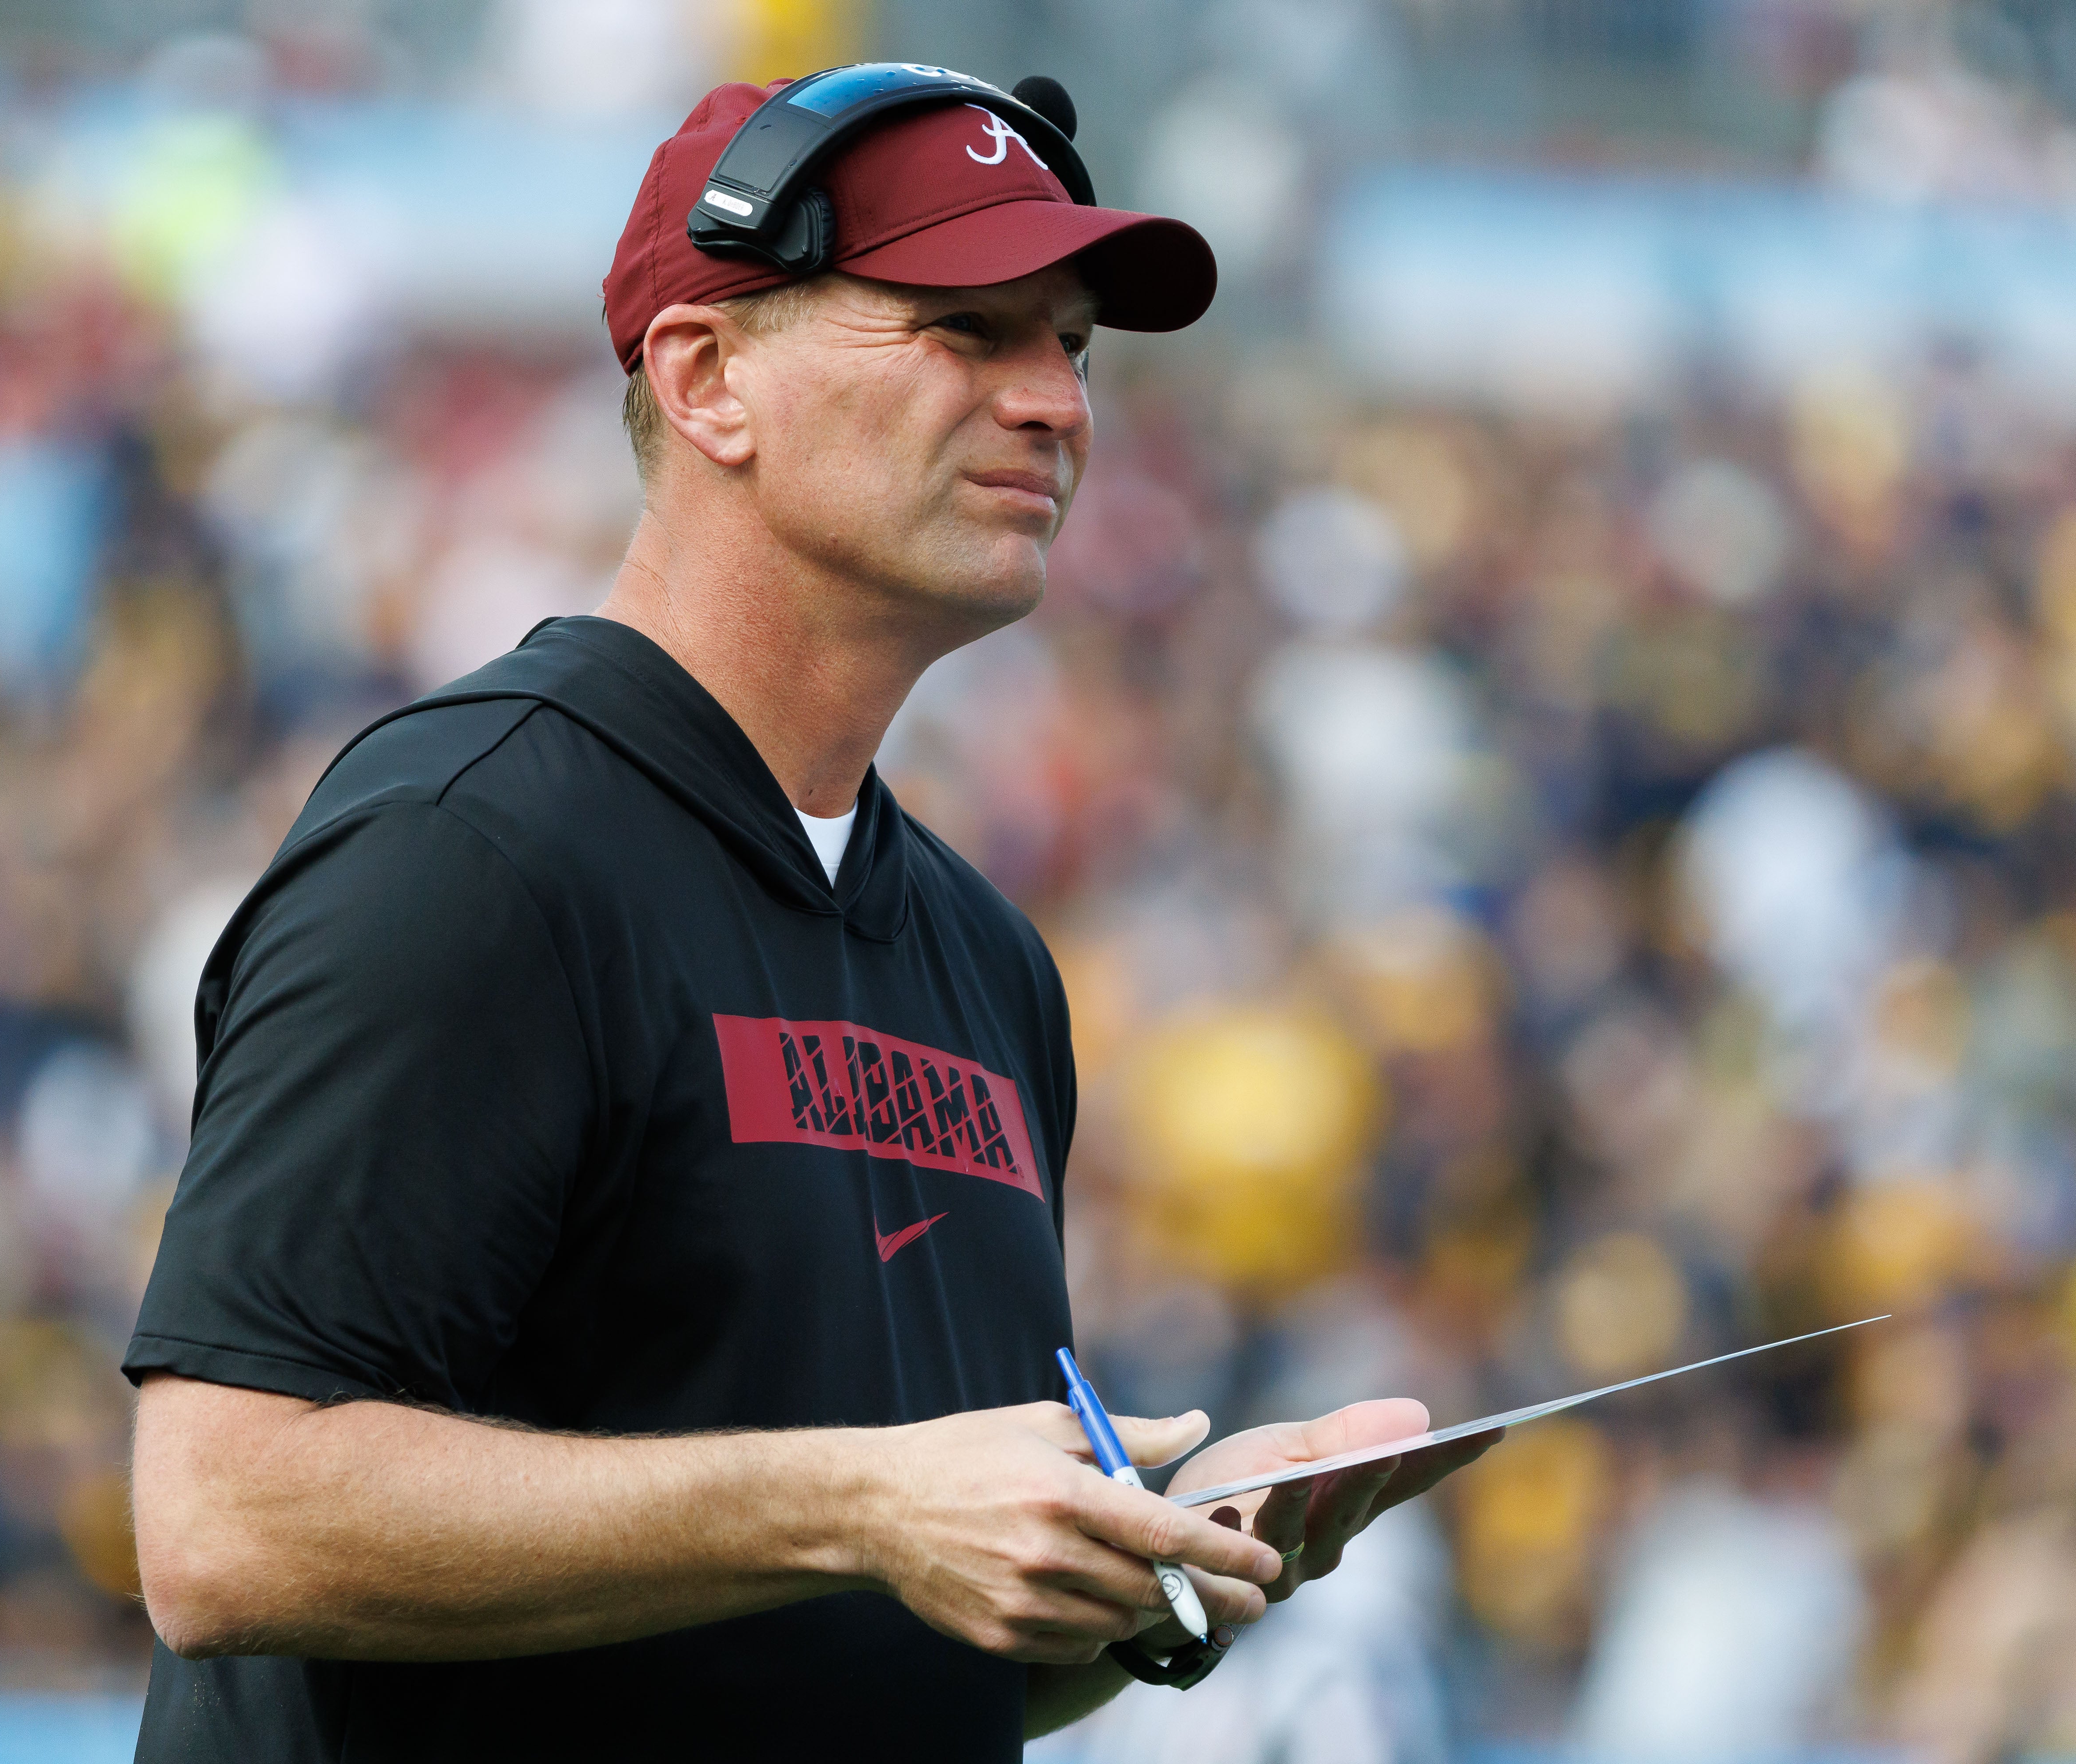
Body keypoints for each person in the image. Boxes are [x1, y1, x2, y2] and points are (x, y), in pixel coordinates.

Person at [123, 71, 1494, 1762]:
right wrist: (861, 1503)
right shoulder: (469, 848)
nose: (1056, 403)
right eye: (964, 330)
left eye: (1073, 347)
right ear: (708, 380)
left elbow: (864, 1636)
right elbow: (226, 1522)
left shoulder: (986, 960)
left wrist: (1151, 1567)